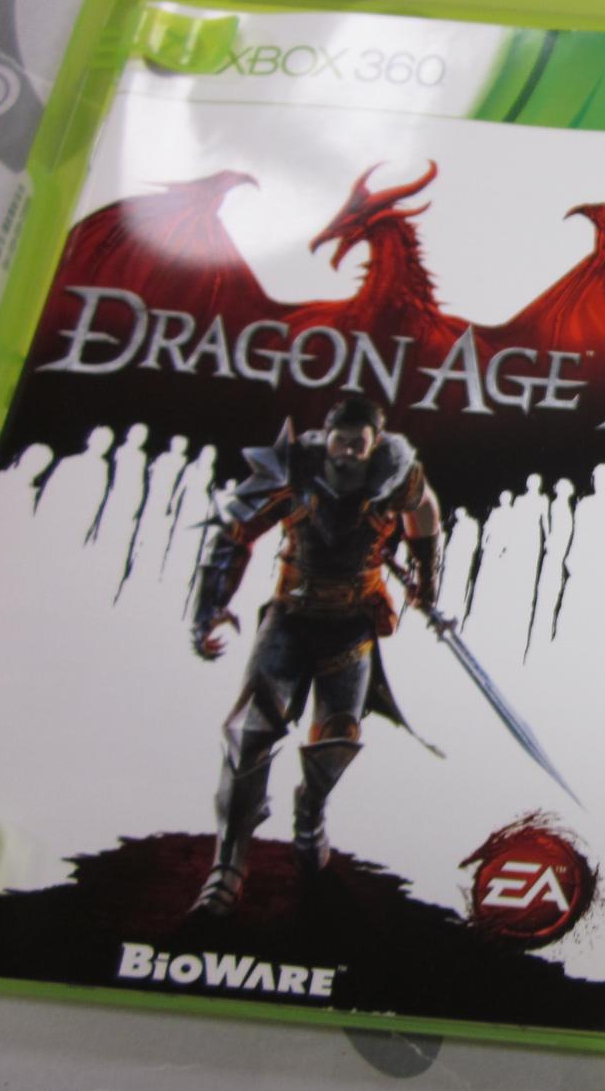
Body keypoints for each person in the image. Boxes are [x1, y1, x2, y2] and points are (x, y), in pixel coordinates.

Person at [186, 392, 442, 915]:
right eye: (339, 441)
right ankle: (228, 864)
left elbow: (425, 514)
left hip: (351, 624)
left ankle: (309, 818)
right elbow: (236, 532)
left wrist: (426, 578)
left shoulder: (396, 477)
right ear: (326, 437)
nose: (346, 452)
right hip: (290, 618)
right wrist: (209, 606)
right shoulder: (293, 469)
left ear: (374, 444)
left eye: (357, 444)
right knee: (248, 733)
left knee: (338, 736)